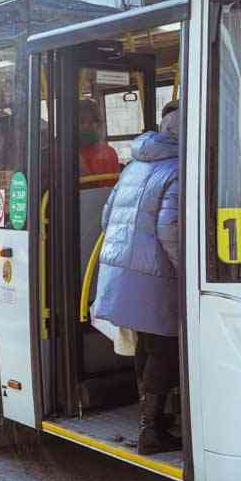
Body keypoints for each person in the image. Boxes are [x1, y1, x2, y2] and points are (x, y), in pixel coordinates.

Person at [91, 101, 181, 455]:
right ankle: (151, 430)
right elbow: (169, 227)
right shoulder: (177, 168)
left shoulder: (135, 165)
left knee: (147, 346)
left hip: (123, 273)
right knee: (165, 348)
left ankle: (153, 422)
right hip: (155, 275)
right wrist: (186, 271)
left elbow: (106, 217)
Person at [77, 99, 121, 182]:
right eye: (81, 122)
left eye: (92, 121)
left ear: (99, 124)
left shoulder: (109, 152)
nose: (87, 126)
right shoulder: (65, 154)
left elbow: (111, 188)